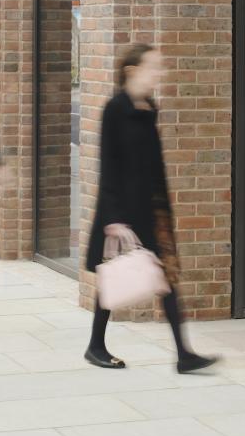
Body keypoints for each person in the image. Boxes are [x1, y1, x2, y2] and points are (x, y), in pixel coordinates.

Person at [85, 42, 217, 374]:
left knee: (166, 277)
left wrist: (163, 210)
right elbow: (109, 165)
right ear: (132, 71)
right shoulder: (115, 109)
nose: (160, 73)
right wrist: (114, 219)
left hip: (151, 208)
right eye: (154, 66)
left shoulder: (149, 108)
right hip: (121, 210)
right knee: (112, 277)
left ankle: (184, 354)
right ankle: (96, 345)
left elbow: (153, 166)